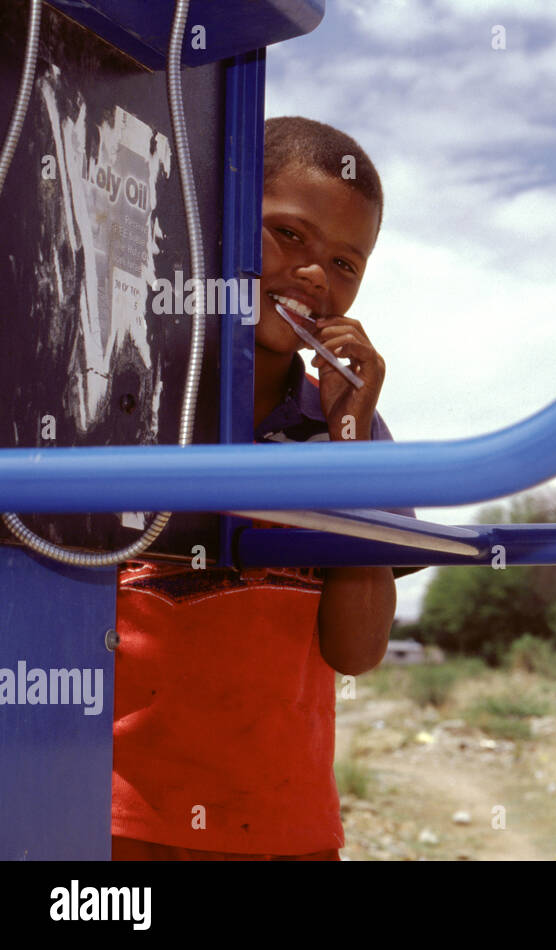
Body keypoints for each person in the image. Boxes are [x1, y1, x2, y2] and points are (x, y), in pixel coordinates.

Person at [111, 116, 418, 860]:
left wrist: (350, 449)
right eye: (289, 236)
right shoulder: (129, 390)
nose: (317, 275)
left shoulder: (351, 429)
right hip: (118, 817)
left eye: (347, 263)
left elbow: (356, 650)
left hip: (284, 826)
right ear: (219, 224)